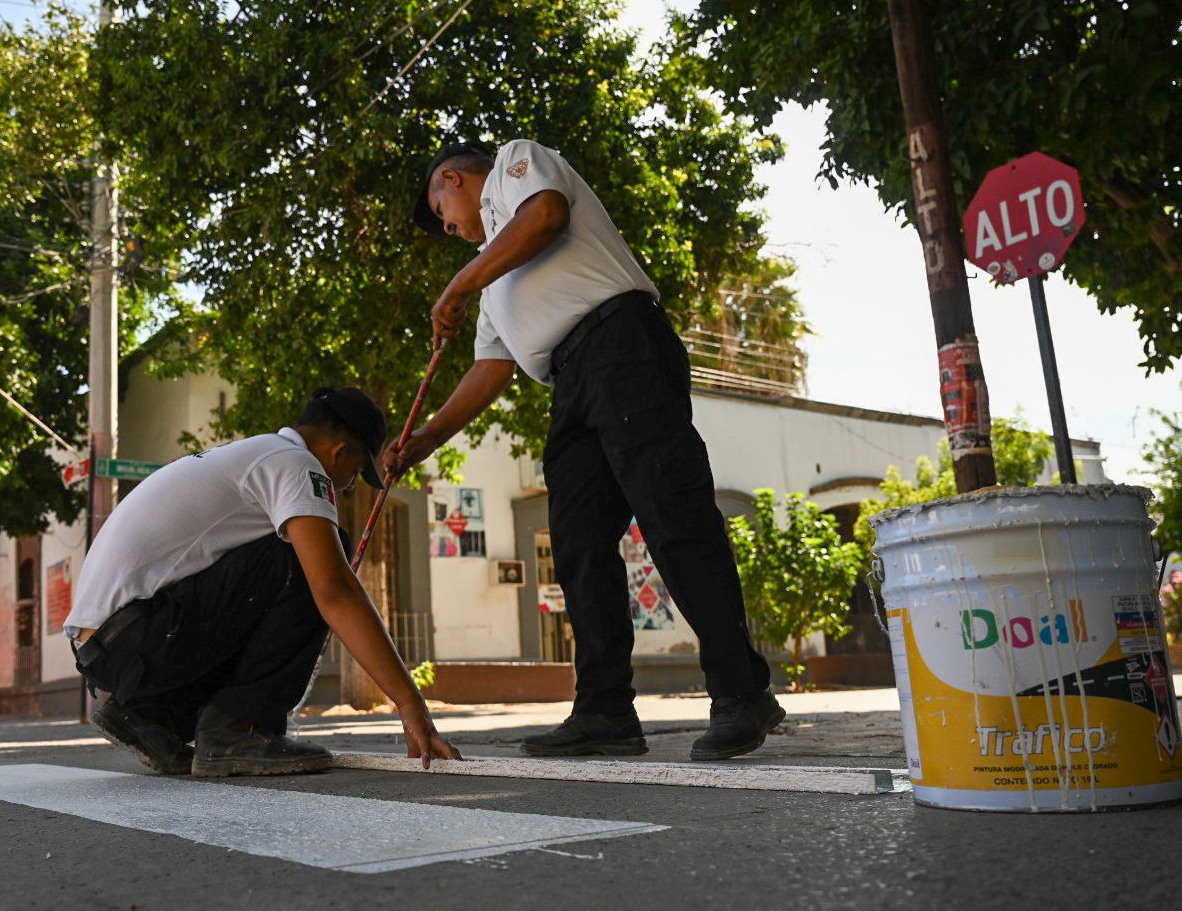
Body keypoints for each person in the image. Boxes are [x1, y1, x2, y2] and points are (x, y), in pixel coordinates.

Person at [388, 139, 784, 761]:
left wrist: (459, 285)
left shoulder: (516, 165)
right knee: (575, 544)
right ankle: (605, 709)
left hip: (622, 342)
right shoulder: (494, 282)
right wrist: (427, 437)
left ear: (453, 178)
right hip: (569, 381)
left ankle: (741, 691)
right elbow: (491, 367)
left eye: (442, 211)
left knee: (672, 516)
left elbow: (547, 215)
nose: (449, 227)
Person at [63, 386, 461, 778]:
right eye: (356, 473)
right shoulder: (295, 465)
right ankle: (240, 729)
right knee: (311, 555)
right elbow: (334, 592)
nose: (350, 486)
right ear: (339, 452)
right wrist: (410, 704)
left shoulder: (256, 454)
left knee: (290, 556)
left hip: (109, 649)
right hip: (138, 639)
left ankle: (149, 717)